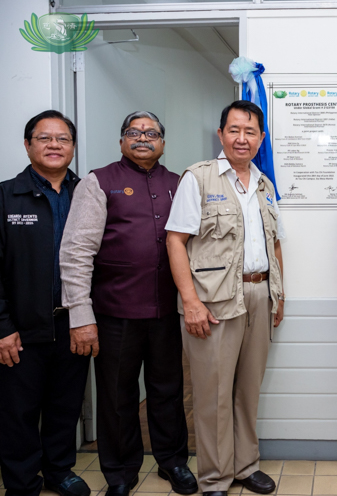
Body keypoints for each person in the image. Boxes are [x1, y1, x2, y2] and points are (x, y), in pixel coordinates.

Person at [60, 111, 196, 496]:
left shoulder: (179, 184)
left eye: (151, 132)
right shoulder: (99, 182)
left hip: (166, 311)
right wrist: (80, 315)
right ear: (121, 141)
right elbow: (75, 252)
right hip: (114, 311)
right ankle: (120, 472)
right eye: (133, 132)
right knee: (117, 395)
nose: (142, 138)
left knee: (168, 390)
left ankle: (172, 461)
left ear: (163, 142)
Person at [165, 100, 285, 496]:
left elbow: (274, 243)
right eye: (234, 130)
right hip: (213, 303)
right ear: (220, 134)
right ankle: (215, 477)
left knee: (247, 390)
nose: (242, 138)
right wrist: (191, 302)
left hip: (259, 295)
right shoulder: (198, 179)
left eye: (251, 132)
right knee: (213, 393)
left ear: (261, 138)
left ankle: (246, 465)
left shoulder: (265, 185)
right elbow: (176, 241)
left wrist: (278, 294)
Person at [0, 110, 91, 496]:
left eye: (63, 139)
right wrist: (3, 327)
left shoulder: (87, 193)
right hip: (21, 326)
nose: (54, 145)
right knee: (19, 412)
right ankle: (22, 482)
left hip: (72, 322)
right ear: (27, 145)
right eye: (44, 138)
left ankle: (59, 471)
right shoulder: (6, 196)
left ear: (72, 147)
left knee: (64, 405)